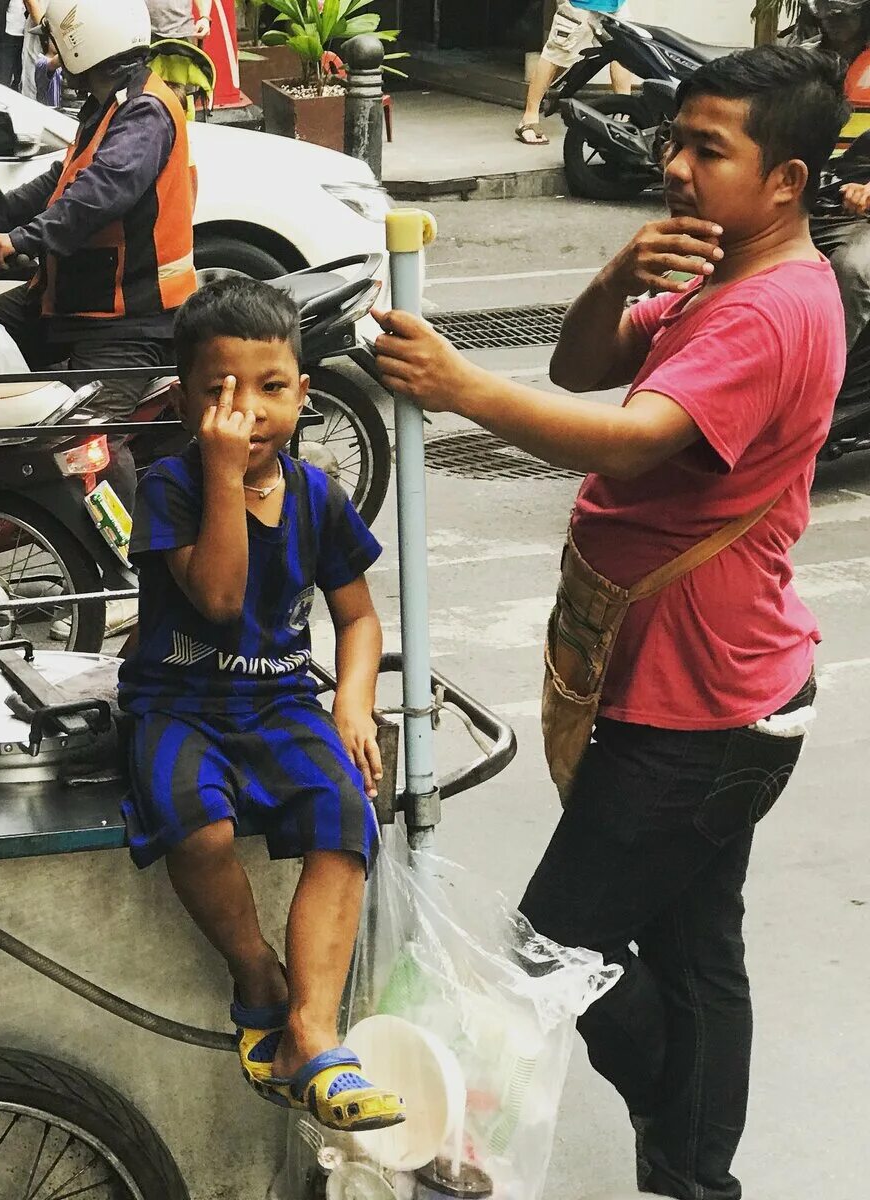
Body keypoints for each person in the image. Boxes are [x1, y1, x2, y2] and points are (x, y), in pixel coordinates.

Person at [373, 46, 847, 1200]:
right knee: (695, 952)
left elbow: (636, 439)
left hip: (703, 711)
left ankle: (675, 1131)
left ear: (784, 179)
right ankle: (692, 1173)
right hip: (690, 687)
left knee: (546, 954)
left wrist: (457, 389)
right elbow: (581, 362)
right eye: (673, 142)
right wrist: (617, 270)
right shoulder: (712, 273)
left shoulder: (774, 307)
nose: (674, 167)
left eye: (707, 150)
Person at [117, 275, 403, 1133]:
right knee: (194, 826)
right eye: (221, 392)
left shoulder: (318, 494)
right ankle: (257, 975)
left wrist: (353, 702)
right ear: (186, 404)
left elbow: (356, 618)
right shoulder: (170, 486)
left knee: (345, 813)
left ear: (304, 393)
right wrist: (220, 470)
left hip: (279, 702)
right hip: (177, 701)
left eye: (272, 389)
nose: (249, 411)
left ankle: (313, 1033)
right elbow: (218, 595)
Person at [0, 0, 197, 499]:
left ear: (83, 46)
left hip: (129, 318)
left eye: (56, 44)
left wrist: (22, 240)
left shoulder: (144, 113)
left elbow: (100, 193)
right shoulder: (110, 104)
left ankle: (127, 558)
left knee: (89, 436)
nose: (51, 55)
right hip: (77, 299)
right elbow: (65, 178)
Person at [808, 0, 870, 400]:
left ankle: (816, 391)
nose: (835, 14)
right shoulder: (806, 62)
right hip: (809, 200)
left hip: (862, 215)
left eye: (845, 8)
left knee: (851, 269)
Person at [517, 0, 633, 147]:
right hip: (579, 5)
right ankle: (529, 118)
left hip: (617, 5)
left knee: (624, 54)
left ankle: (624, 117)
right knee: (556, 54)